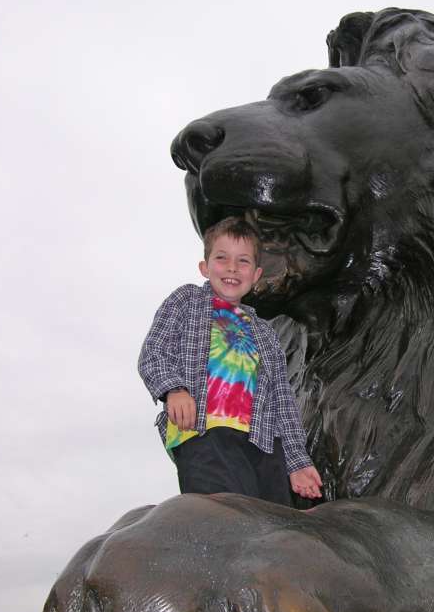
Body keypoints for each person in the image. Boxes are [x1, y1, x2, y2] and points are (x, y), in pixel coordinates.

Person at [138, 215, 322, 504]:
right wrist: (174, 389)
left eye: (243, 261)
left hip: (263, 443)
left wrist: (297, 461)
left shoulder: (265, 332)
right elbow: (154, 352)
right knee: (228, 514)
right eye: (222, 258)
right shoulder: (186, 301)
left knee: (275, 524)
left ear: (257, 274)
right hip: (204, 433)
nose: (232, 268)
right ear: (205, 267)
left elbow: (283, 401)